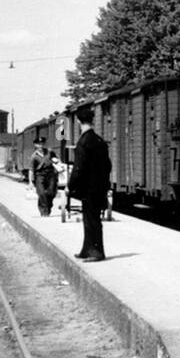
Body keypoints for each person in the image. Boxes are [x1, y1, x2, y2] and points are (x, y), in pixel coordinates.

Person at [68, 106, 112, 262]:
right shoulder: (99, 140)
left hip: (88, 188)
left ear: (79, 122)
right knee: (91, 219)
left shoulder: (83, 141)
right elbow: (108, 165)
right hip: (99, 187)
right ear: (92, 120)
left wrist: (70, 185)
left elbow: (78, 168)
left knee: (91, 220)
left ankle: (97, 252)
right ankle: (87, 249)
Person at [36, 149, 60, 217]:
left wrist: (56, 161)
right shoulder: (35, 156)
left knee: (51, 193)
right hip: (40, 175)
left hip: (51, 175)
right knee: (41, 193)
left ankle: (48, 207)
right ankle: (43, 211)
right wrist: (31, 181)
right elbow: (31, 169)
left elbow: (57, 160)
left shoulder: (51, 152)